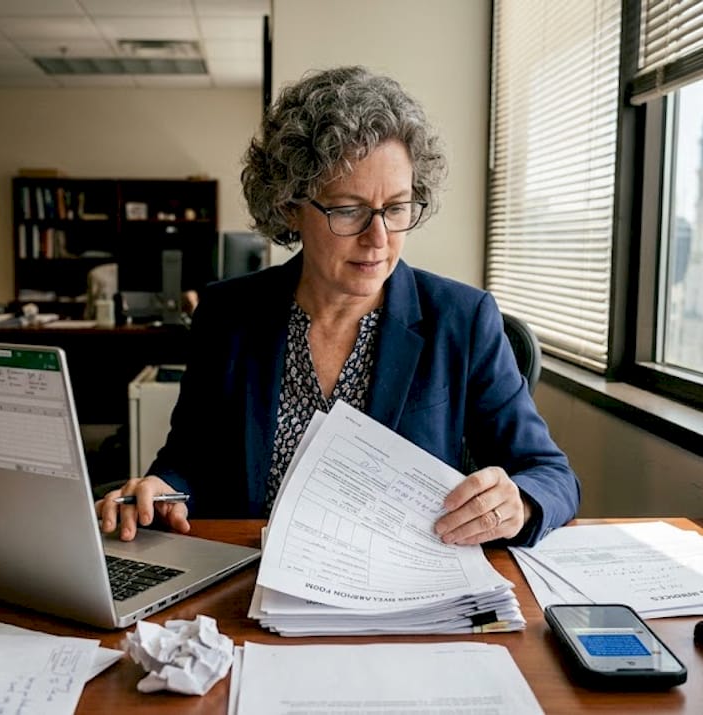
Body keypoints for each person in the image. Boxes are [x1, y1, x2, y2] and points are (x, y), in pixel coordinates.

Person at [98, 66, 579, 547]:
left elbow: (550, 474)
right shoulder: (228, 314)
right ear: (289, 205)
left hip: (402, 584)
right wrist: (161, 490)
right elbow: (187, 461)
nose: (379, 238)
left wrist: (520, 501)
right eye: (348, 210)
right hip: (248, 574)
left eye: (396, 208)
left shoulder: (462, 318)